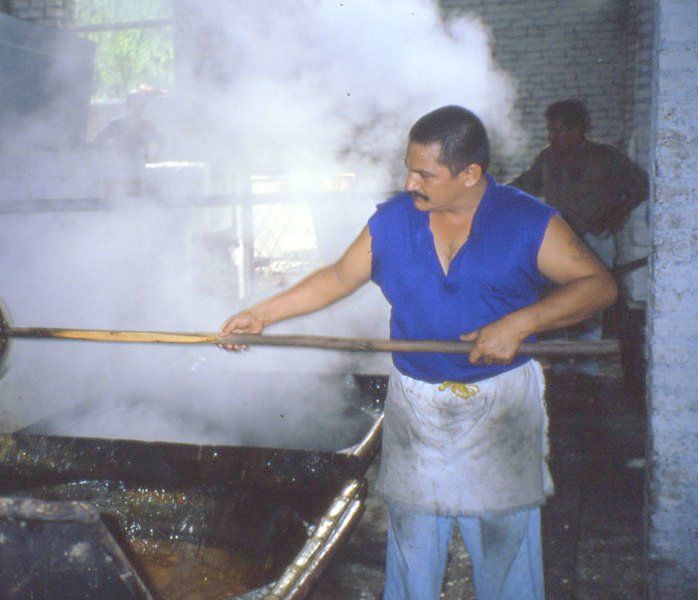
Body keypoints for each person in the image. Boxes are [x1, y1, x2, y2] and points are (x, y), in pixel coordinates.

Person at [219, 105, 617, 599]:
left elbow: (598, 286)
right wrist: (263, 313)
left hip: (500, 403)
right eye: (409, 169)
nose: (410, 183)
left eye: (425, 174)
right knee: (412, 544)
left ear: (470, 174)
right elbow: (338, 277)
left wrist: (522, 322)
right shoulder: (393, 221)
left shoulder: (528, 221)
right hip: (417, 405)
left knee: (503, 544)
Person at [509, 99, 648, 375]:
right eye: (550, 130)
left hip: (595, 240)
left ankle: (587, 371)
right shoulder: (547, 158)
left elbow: (640, 185)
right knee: (555, 301)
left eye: (558, 131)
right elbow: (525, 185)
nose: (552, 137)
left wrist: (616, 215)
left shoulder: (605, 156)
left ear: (578, 129)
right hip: (558, 245)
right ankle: (560, 369)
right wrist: (491, 191)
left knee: (591, 306)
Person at [95, 87, 164, 196]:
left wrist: (152, 159)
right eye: (135, 105)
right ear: (127, 106)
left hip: (138, 173)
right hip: (117, 173)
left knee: (135, 201)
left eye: (140, 106)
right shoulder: (115, 124)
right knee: (114, 201)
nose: (137, 109)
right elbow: (99, 139)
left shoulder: (146, 126)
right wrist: (108, 158)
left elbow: (160, 142)